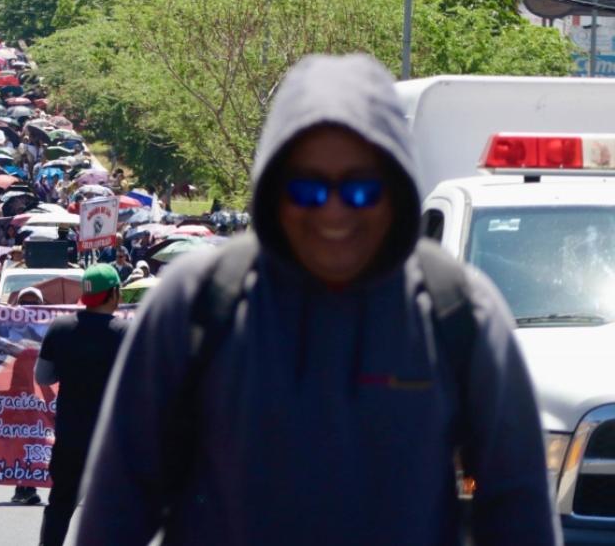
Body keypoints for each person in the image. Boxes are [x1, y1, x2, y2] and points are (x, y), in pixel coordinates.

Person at [75, 54, 557, 546]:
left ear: (396, 190)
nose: (333, 212)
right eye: (306, 189)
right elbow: (119, 505)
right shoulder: (198, 303)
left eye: (362, 189)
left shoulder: (457, 311)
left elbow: (520, 511)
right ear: (273, 191)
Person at [35, 263, 127, 546]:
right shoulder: (125, 332)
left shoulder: (61, 327)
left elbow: (43, 376)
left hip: (70, 436)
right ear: (113, 294)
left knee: (60, 507)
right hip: (113, 442)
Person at [10, 286, 45, 506]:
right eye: (24, 303)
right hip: (18, 393)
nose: (28, 307)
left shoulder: (51, 327)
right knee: (22, 439)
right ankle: (24, 485)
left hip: (45, 394)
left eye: (34, 303)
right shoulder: (7, 327)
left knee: (40, 439)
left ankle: (31, 483)